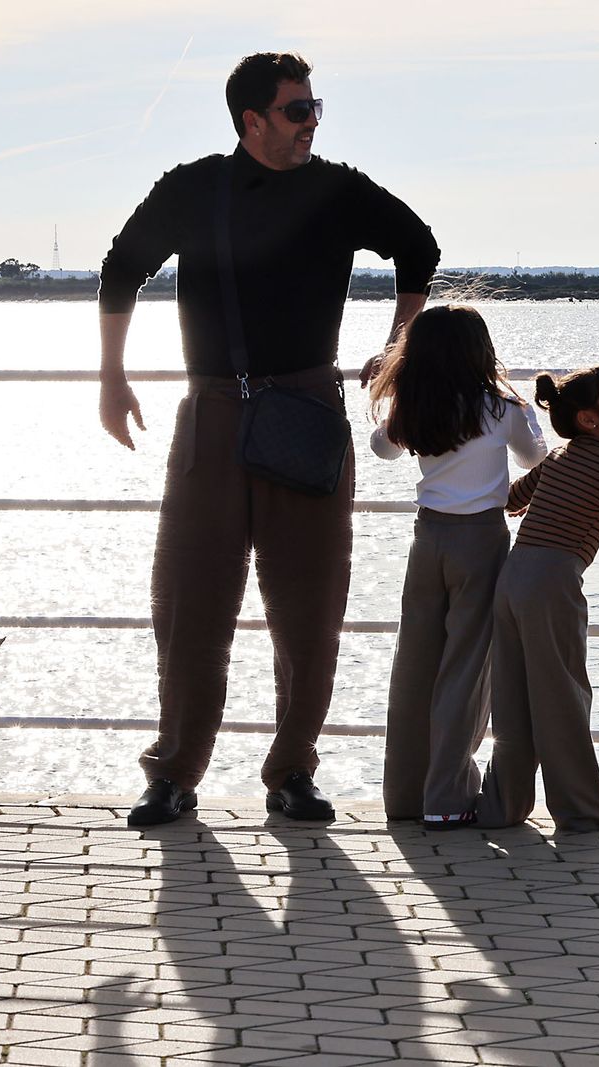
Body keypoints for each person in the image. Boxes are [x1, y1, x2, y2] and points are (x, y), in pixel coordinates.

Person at [96, 51, 440, 827]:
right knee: (189, 604)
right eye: (296, 110)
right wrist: (111, 377)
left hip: (307, 412)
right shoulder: (193, 188)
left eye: (316, 107)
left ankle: (292, 772)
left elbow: (420, 246)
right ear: (251, 120)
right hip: (212, 415)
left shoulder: (338, 190)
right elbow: (120, 270)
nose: (312, 121)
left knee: (310, 611)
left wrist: (398, 349)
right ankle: (175, 774)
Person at [369, 304, 547, 830]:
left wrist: (394, 398)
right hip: (481, 540)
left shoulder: (415, 405)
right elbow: (534, 458)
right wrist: (528, 412)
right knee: (467, 669)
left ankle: (406, 794)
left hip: (428, 538)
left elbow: (382, 450)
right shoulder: (499, 407)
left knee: (416, 665)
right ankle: (446, 797)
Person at [475, 366, 599, 834]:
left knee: (512, 698)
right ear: (590, 420)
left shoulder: (556, 458)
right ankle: (580, 812)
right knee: (563, 694)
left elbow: (513, 500)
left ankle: (502, 806)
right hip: (554, 581)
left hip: (513, 575)